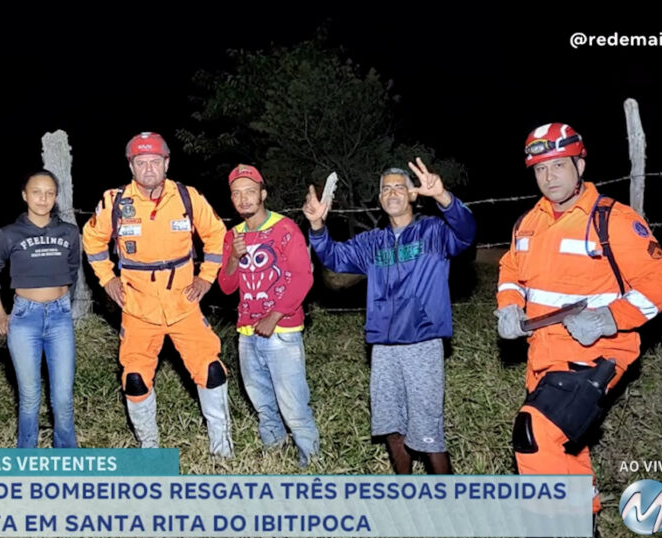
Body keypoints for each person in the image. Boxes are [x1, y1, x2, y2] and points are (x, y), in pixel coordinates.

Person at [496, 122, 662, 538]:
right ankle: (584, 529)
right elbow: (509, 272)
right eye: (540, 169)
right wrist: (508, 306)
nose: (550, 176)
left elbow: (661, 283)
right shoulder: (528, 223)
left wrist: (610, 318)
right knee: (567, 445)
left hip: (600, 352)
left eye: (559, 165)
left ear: (579, 165)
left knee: (534, 433)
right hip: (544, 351)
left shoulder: (612, 219)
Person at [302, 159, 475, 474]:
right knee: (391, 426)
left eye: (400, 187)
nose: (392, 192)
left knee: (427, 433)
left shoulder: (433, 232)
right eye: (386, 188)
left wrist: (443, 197)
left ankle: (452, 509)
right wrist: (317, 227)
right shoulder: (372, 243)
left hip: (422, 342)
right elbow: (334, 257)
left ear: (412, 195)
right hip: (382, 346)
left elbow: (466, 233)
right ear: (380, 198)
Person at [81, 132, 232, 457]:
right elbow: (92, 240)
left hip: (184, 302)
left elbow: (217, 235)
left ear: (166, 163)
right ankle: (149, 448)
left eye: (154, 161)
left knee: (211, 370)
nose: (148, 168)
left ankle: (223, 446)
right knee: (134, 378)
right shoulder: (115, 202)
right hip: (138, 307)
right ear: (131, 166)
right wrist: (107, 279)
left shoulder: (187, 197)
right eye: (141, 162)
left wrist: (206, 278)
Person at [217, 164, 320, 467]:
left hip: (282, 332)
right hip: (247, 335)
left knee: (294, 409)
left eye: (250, 192)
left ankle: (312, 467)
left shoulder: (285, 228)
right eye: (237, 194)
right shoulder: (232, 236)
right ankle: (274, 462)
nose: (244, 199)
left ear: (263, 194)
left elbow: (303, 278)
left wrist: (274, 316)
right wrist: (234, 258)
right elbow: (226, 286)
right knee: (264, 407)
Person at [0, 170, 80, 448]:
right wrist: (1, 313)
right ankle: (26, 459)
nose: (43, 198)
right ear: (25, 195)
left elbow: (72, 269)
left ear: (56, 197)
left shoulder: (69, 232)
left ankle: (68, 458)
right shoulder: (9, 234)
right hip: (25, 318)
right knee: (29, 396)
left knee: (62, 396)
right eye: (36, 192)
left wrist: (62, 302)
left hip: (60, 318)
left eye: (50, 193)